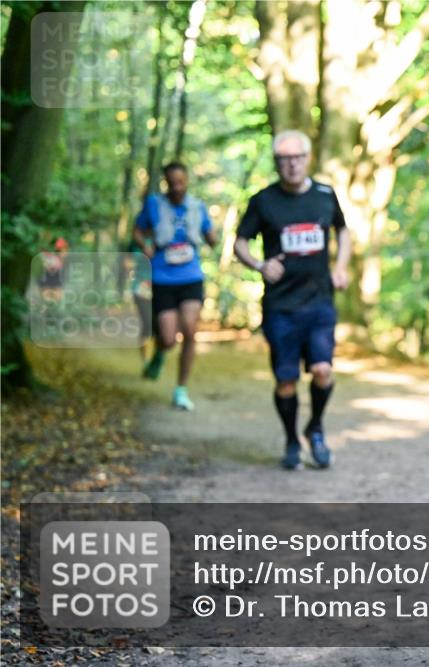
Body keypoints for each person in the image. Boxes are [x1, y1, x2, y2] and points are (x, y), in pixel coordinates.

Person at [233, 130, 352, 471]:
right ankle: (291, 440)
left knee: (322, 370)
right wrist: (259, 265)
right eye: (284, 160)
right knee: (286, 380)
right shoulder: (263, 200)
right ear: (276, 163)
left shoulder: (325, 195)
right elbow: (239, 242)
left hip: (319, 301)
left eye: (297, 158)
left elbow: (343, 230)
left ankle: (315, 428)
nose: (292, 165)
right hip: (281, 306)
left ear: (308, 158)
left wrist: (340, 267)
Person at [133, 162, 217, 410]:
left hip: (191, 276)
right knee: (169, 339)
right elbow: (138, 230)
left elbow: (211, 236)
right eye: (172, 183)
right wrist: (145, 246)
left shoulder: (197, 206)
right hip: (162, 278)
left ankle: (181, 389)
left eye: (181, 182)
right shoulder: (153, 204)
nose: (177, 187)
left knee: (190, 329)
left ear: (187, 180)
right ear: (166, 183)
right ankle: (161, 351)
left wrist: (213, 237)